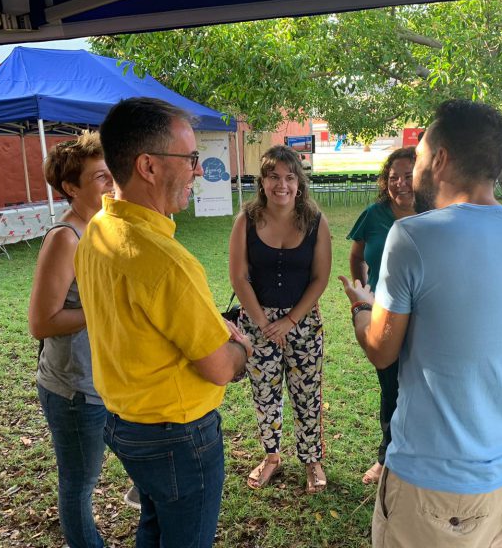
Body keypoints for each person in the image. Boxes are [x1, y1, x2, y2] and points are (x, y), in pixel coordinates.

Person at [340, 99, 502, 548]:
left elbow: (381, 350)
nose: (415, 168)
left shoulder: (413, 235)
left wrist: (362, 308)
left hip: (433, 480)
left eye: (420, 154)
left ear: (439, 159)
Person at [74, 97, 253, 548]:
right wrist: (241, 348)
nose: (199, 169)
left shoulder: (97, 229)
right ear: (148, 166)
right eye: (190, 158)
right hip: (177, 436)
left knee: (154, 526)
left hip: (123, 424)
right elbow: (218, 367)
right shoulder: (165, 262)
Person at [228, 145, 332, 493]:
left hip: (303, 323)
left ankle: (312, 460)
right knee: (265, 393)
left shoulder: (315, 221)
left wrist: (290, 321)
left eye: (289, 177)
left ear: (299, 183)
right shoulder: (246, 220)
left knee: (307, 394)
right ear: (262, 181)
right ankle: (271, 457)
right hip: (257, 323)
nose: (281, 185)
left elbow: (320, 277)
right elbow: (239, 277)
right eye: (273, 176)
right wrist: (263, 323)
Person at [28, 132, 114, 548]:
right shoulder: (66, 238)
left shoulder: (103, 227)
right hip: (75, 389)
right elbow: (41, 322)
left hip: (107, 381)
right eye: (100, 177)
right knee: (79, 484)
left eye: (112, 174)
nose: (112, 183)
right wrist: (107, 311)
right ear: (71, 188)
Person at [347, 147, 416, 485]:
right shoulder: (374, 215)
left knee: (419, 388)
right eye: (393, 177)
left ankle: (415, 455)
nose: (400, 183)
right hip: (383, 315)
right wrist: (363, 291)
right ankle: (386, 457)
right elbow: (357, 254)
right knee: (390, 388)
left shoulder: (436, 214)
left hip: (425, 319)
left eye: (408, 176)